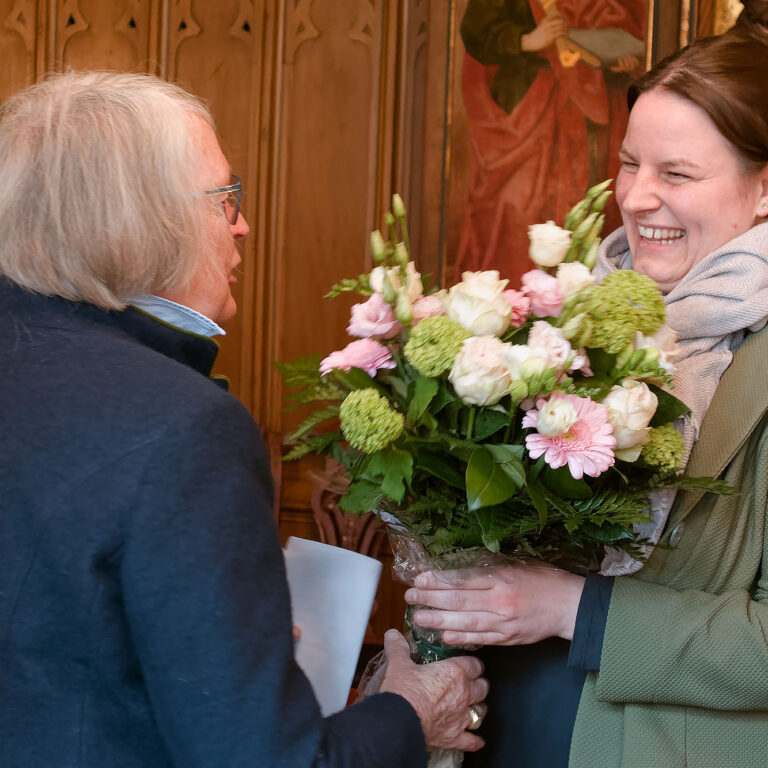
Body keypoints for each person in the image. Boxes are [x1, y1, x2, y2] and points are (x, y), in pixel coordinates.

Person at [0, 71, 490, 768]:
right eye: (225, 198)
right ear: (147, 217)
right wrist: (411, 713)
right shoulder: (182, 426)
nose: (242, 224)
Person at [405, 33, 768, 767]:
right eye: (630, 163)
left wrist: (574, 610)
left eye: (678, 172)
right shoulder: (567, 320)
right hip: (502, 731)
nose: (635, 198)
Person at [456, 0, 646, 287]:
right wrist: (528, 40)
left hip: (591, 117)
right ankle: (511, 310)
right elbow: (477, 29)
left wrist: (620, 61)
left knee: (588, 213)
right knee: (517, 213)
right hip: (528, 111)